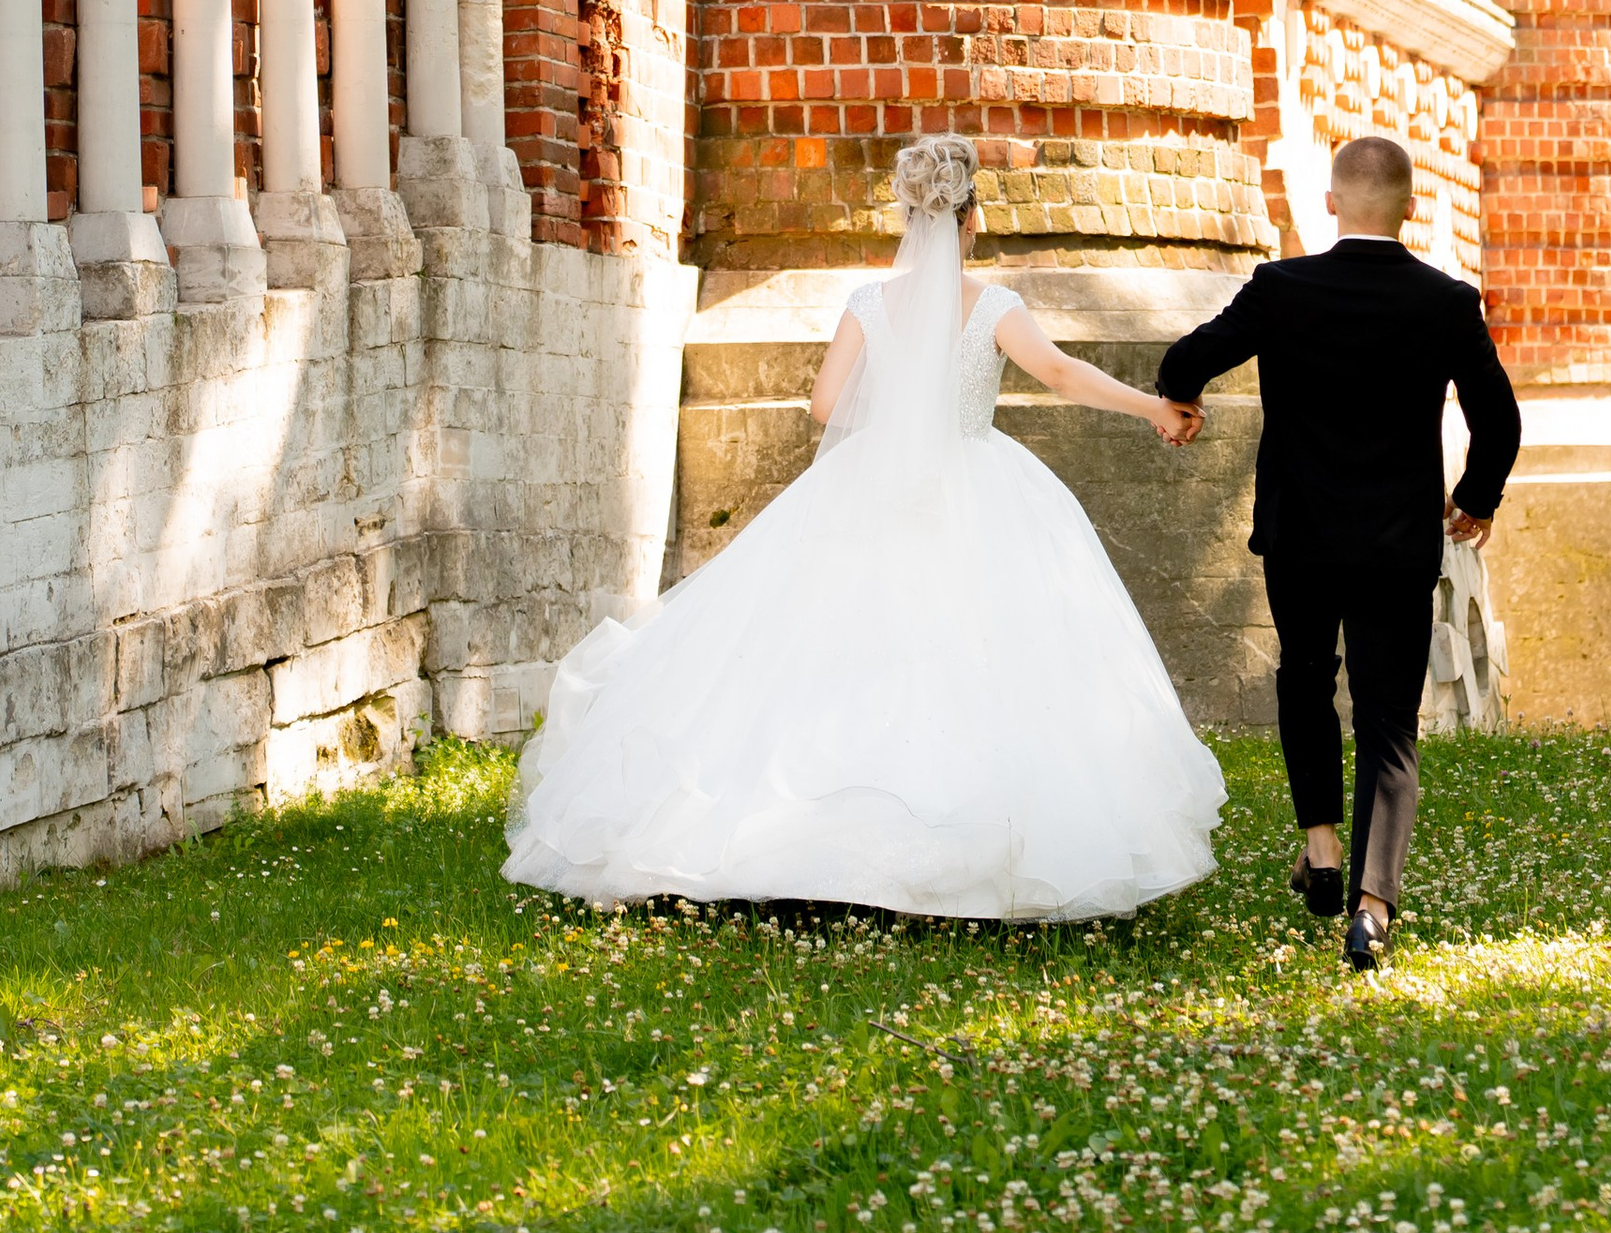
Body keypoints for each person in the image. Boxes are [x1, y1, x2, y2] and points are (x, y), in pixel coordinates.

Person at [505, 133, 1226, 920]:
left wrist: (896, 413)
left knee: (835, 649)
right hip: (976, 474)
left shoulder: (868, 304)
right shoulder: (992, 305)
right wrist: (1154, 405)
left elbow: (823, 405)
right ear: (970, 217)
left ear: (908, 216)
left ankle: (805, 841)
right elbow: (1057, 371)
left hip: (869, 479)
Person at [1155, 133, 1518, 974]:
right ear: (1410, 207)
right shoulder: (1446, 302)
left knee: (1305, 678)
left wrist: (1179, 401)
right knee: (1390, 718)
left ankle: (1321, 849)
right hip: (1396, 539)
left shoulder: (1281, 289)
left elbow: (1188, 358)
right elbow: (1499, 420)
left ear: (1329, 204)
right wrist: (1476, 499)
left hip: (1301, 533)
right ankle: (1372, 906)